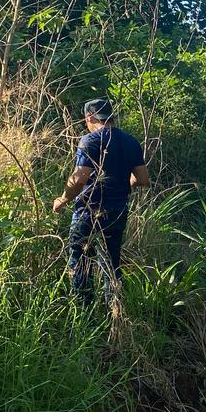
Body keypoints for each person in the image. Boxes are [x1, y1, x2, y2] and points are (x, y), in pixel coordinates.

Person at [52, 98, 150, 303]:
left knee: (81, 262)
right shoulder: (131, 142)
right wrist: (124, 185)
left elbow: (79, 178)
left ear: (89, 117)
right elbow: (142, 179)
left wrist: (63, 199)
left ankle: (83, 314)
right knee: (111, 263)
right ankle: (115, 313)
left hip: (89, 212)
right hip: (118, 211)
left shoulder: (90, 140)